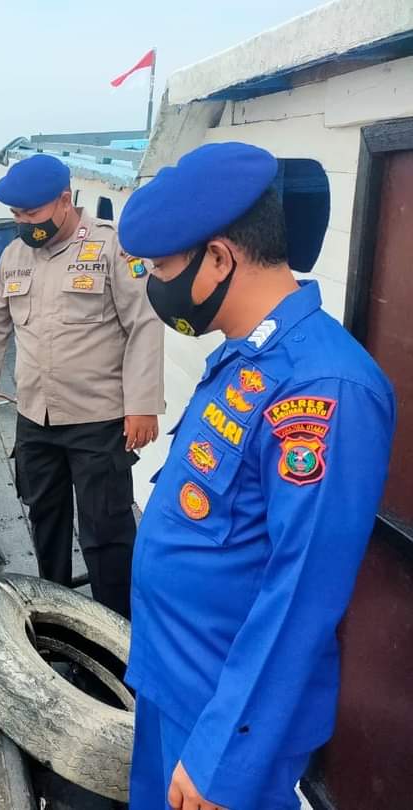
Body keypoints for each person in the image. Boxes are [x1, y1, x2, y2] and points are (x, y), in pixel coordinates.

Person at [118, 142, 396, 810]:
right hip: (174, 677)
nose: (155, 284)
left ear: (218, 259)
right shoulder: (245, 359)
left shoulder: (324, 387)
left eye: (162, 267)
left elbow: (301, 593)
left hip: (223, 713)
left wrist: (225, 757)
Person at [0, 154, 165, 617]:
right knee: (44, 516)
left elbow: (144, 324)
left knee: (106, 528)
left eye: (32, 214)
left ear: (65, 201)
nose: (24, 224)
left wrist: (144, 405)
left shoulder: (114, 249)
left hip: (98, 417)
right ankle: (56, 609)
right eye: (16, 215)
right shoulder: (14, 257)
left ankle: (116, 623)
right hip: (35, 417)